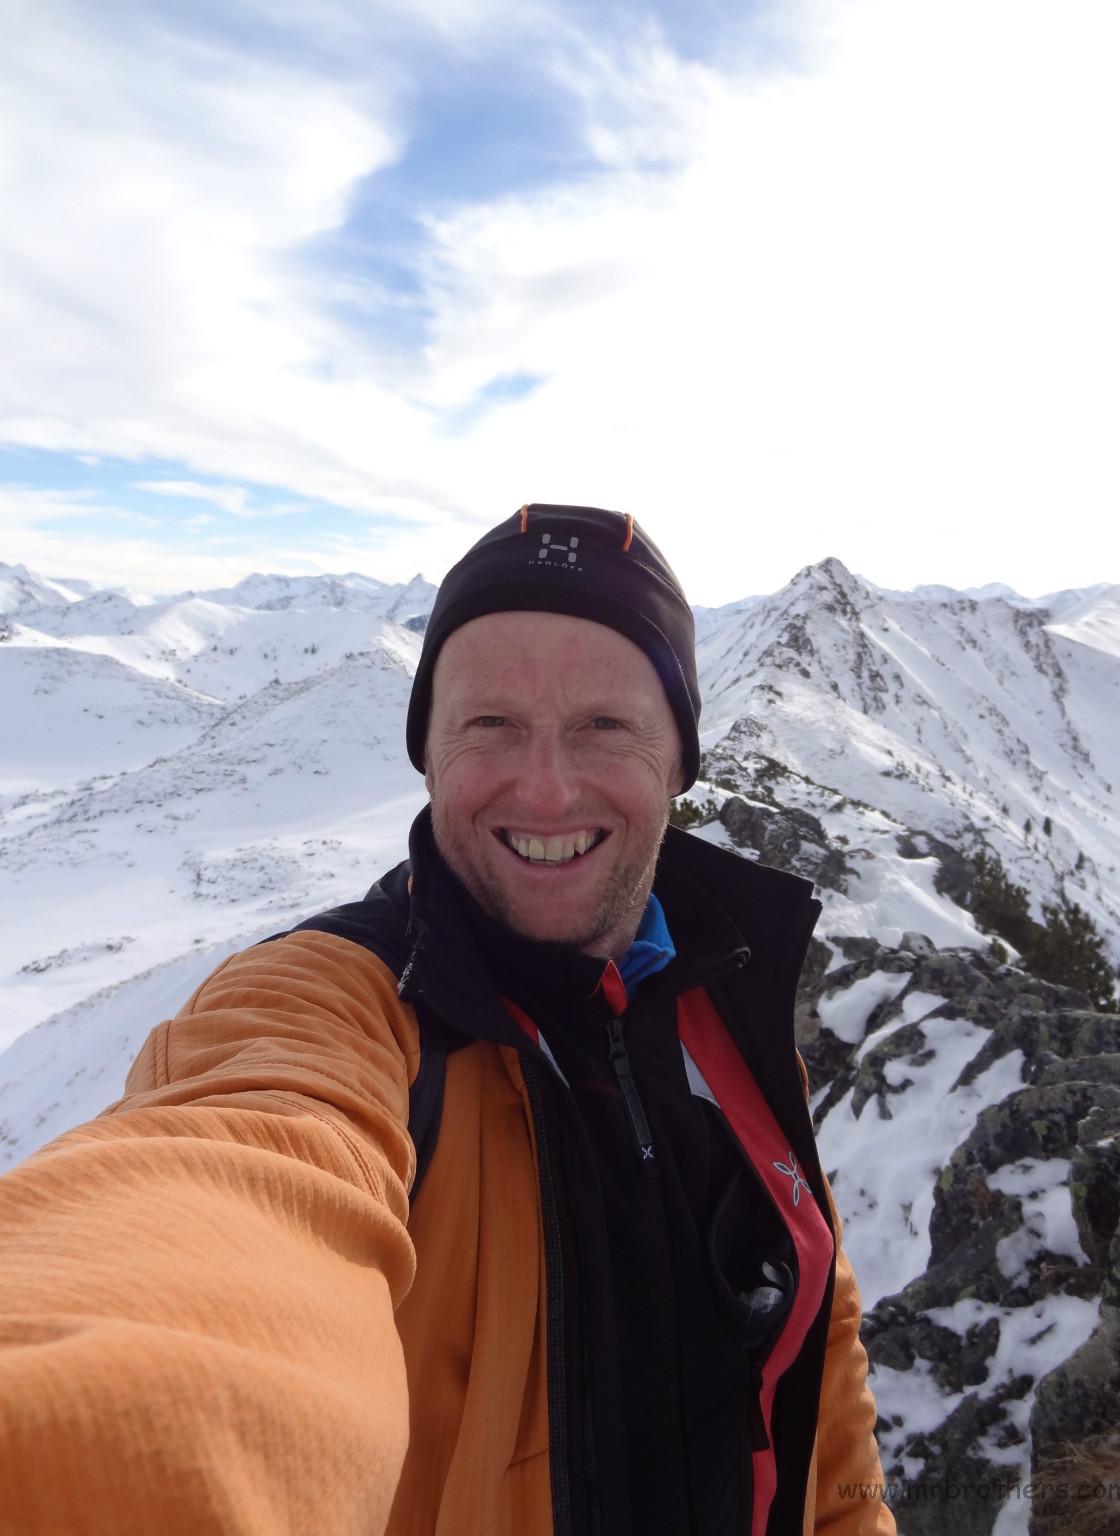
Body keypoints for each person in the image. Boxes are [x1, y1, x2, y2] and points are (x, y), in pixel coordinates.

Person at [0, 504, 893, 1535]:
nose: (546, 789)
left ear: (680, 761)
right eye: (490, 724)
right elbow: (229, 1185)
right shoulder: (340, 1012)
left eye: (605, 725)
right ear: (427, 751)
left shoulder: (726, 1001)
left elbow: (822, 1347)